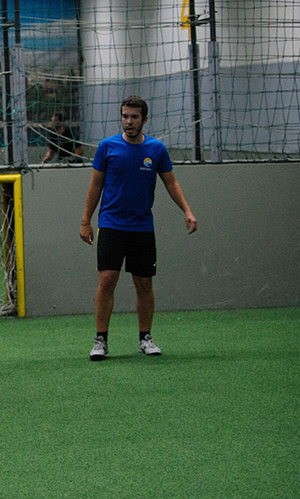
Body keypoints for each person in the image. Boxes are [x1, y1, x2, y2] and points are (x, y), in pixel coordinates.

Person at [79, 95, 198, 361]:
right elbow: (95, 184)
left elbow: (171, 183)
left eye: (134, 117)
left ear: (144, 119)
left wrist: (187, 211)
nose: (129, 122)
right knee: (107, 280)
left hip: (142, 226)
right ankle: (101, 340)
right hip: (111, 224)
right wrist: (86, 220)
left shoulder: (156, 149)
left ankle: (145, 338)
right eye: (125, 116)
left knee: (144, 282)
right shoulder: (107, 147)